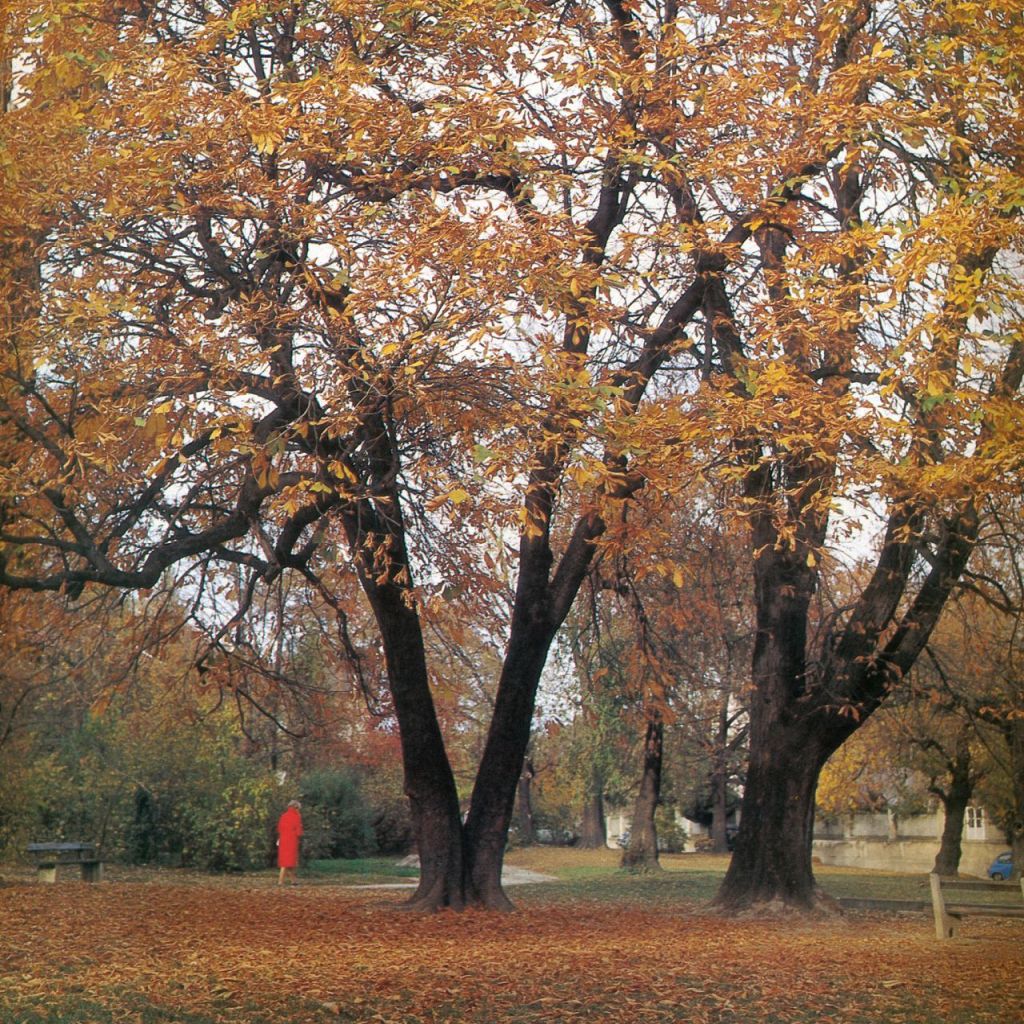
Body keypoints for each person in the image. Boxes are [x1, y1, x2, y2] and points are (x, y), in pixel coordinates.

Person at [276, 799, 303, 886]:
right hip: (292, 840)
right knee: (288, 862)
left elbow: (279, 828)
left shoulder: (283, 816)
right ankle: (280, 881)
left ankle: (293, 881)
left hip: (283, 839)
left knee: (288, 861)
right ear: (296, 808)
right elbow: (299, 831)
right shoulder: (297, 816)